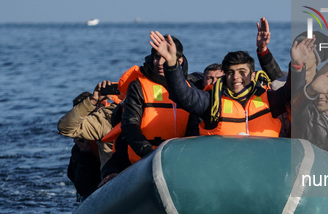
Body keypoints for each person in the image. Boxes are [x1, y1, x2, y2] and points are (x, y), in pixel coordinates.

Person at [149, 30, 309, 137]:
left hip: (263, 170)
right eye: (231, 72)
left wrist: (296, 64)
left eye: (242, 72)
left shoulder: (270, 100)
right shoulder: (211, 102)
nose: (236, 77)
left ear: (253, 75)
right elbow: (182, 95)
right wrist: (171, 64)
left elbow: (292, 91)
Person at [99, 36, 200, 187]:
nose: (159, 63)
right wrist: (149, 154)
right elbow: (130, 125)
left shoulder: (190, 89)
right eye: (156, 57)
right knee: (110, 171)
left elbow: (194, 130)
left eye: (164, 57)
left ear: (179, 61)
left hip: (177, 159)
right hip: (141, 158)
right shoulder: (138, 86)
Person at [58, 81, 118, 168]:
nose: (91, 117)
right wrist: (84, 151)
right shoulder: (81, 137)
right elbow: (80, 180)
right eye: (86, 114)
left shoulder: (108, 115)